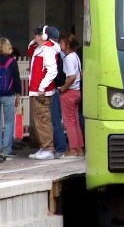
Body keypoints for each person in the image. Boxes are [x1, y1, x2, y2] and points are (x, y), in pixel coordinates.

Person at [28, 26, 63, 161]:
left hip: (42, 91)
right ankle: (44, 147)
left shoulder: (47, 50)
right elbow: (30, 50)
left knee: (43, 120)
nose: (35, 36)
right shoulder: (42, 49)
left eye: (37, 34)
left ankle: (48, 148)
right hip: (37, 90)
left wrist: (42, 87)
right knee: (39, 121)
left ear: (44, 36)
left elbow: (52, 71)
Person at [0, 38, 21, 163]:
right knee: (8, 122)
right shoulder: (12, 62)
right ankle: (6, 150)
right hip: (8, 94)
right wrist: (18, 95)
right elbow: (17, 80)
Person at [45, 26, 69, 158]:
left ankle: (60, 147)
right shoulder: (61, 53)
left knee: (54, 119)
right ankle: (59, 146)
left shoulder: (52, 52)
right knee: (56, 120)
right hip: (57, 89)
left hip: (53, 89)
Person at [59, 34, 84, 157]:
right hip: (77, 92)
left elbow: (71, 76)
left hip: (69, 93)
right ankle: (79, 148)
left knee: (69, 122)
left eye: (62, 43)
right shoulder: (76, 56)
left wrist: (62, 88)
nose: (60, 45)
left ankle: (73, 148)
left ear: (67, 45)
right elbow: (80, 73)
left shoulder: (68, 58)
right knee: (75, 121)